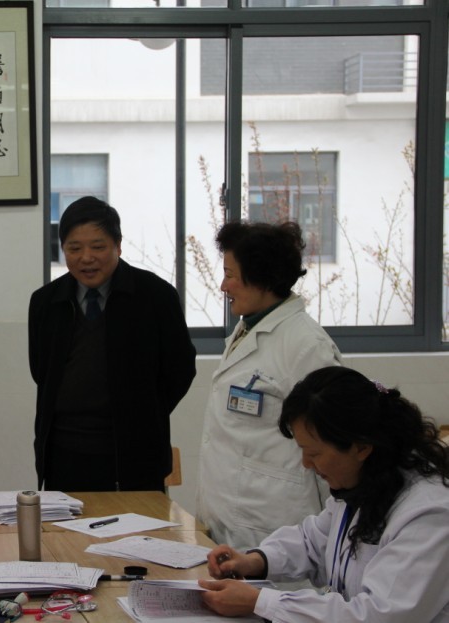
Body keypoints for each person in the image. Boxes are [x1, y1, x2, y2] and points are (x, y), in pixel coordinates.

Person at [200, 366, 449, 623]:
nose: (306, 463)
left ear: (361, 447)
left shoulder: (429, 514)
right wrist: (256, 561)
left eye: (314, 454)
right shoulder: (365, 482)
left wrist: (261, 602)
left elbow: (378, 615)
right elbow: (314, 542)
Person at [27, 196, 196, 492]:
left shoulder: (155, 296)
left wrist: (142, 413)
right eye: (74, 248)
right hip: (63, 455)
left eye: (98, 246)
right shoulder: (45, 302)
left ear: (118, 245)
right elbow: (41, 371)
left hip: (135, 455)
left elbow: (180, 370)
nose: (86, 258)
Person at [196, 220, 342, 549]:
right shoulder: (247, 329)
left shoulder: (306, 346)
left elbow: (334, 444)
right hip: (229, 517)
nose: (223, 286)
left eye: (230, 275)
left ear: (261, 278)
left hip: (274, 526)